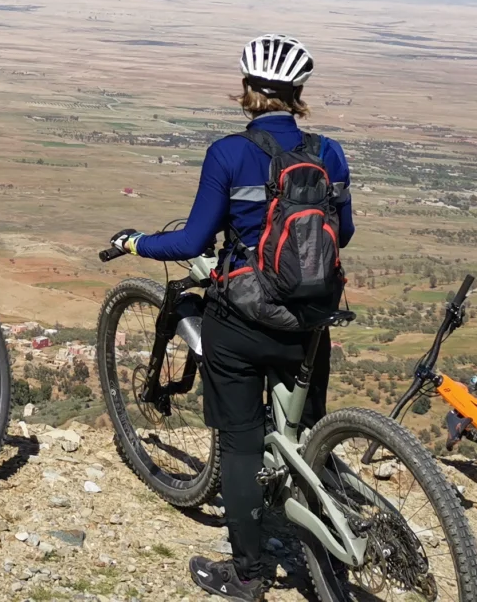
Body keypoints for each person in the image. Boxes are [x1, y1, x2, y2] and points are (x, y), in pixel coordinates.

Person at [108, 34, 354, 600]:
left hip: (241, 319)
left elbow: (193, 239)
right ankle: (316, 522)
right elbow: (345, 232)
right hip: (312, 316)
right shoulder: (329, 151)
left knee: (241, 444)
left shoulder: (229, 152)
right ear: (298, 94)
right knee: (306, 428)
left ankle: (247, 575)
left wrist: (136, 242)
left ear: (248, 91)